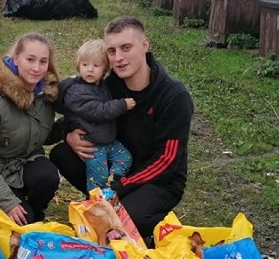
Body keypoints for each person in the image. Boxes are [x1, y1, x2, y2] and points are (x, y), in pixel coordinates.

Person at [50, 16, 194, 242]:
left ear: (145, 45)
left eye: (126, 48)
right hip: (116, 165)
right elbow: (85, 111)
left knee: (122, 221)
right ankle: (101, 201)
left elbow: (167, 160)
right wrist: (69, 134)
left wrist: (121, 186)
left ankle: (141, 217)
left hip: (158, 179)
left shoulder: (174, 97)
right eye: (112, 51)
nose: (118, 58)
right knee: (62, 154)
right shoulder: (109, 86)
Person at [0, 32, 61, 225]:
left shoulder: (46, 96)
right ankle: (21, 214)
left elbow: (40, 135)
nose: (36, 68)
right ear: (16, 58)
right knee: (21, 221)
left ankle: (33, 214)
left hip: (23, 165)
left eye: (43, 61)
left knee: (48, 176)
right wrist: (8, 202)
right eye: (30, 59)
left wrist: (70, 129)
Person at [58, 39, 135, 191]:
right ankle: (95, 201)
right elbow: (98, 111)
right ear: (78, 65)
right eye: (85, 65)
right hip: (92, 145)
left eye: (96, 65)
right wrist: (122, 105)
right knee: (97, 176)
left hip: (108, 141)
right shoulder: (76, 91)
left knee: (125, 158)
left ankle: (111, 185)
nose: (90, 70)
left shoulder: (102, 85)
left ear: (105, 69)